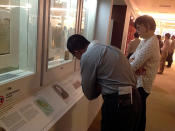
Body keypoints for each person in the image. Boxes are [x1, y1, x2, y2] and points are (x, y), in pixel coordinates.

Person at [67, 34, 142, 131]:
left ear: (77, 52)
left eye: (75, 56)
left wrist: (98, 84)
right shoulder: (111, 48)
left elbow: (89, 94)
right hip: (135, 98)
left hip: (118, 103)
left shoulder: (87, 56)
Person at [129, 15, 160, 131]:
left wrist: (135, 64)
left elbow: (134, 65)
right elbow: (132, 58)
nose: (137, 31)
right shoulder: (146, 40)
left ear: (147, 26)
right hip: (140, 80)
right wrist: (134, 63)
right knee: (140, 112)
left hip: (143, 83)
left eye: (138, 28)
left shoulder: (151, 43)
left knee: (138, 113)